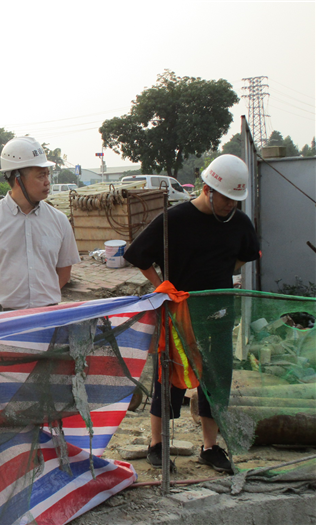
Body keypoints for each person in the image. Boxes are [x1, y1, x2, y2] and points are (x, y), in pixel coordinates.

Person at [123, 154, 260, 473]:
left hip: (220, 315)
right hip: (179, 317)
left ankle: (210, 448)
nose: (232, 206)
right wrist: (163, 287)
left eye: (237, 201)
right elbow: (138, 256)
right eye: (227, 199)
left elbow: (244, 256)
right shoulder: (175, 219)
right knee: (170, 378)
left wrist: (221, 273)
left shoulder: (239, 222)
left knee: (216, 381)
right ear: (209, 189)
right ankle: (157, 444)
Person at [0, 136, 80, 312]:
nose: (47, 181)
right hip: (1, 320)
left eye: (47, 174)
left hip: (46, 315)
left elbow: (64, 272)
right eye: (41, 175)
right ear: (17, 178)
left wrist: (41, 301)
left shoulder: (59, 220)